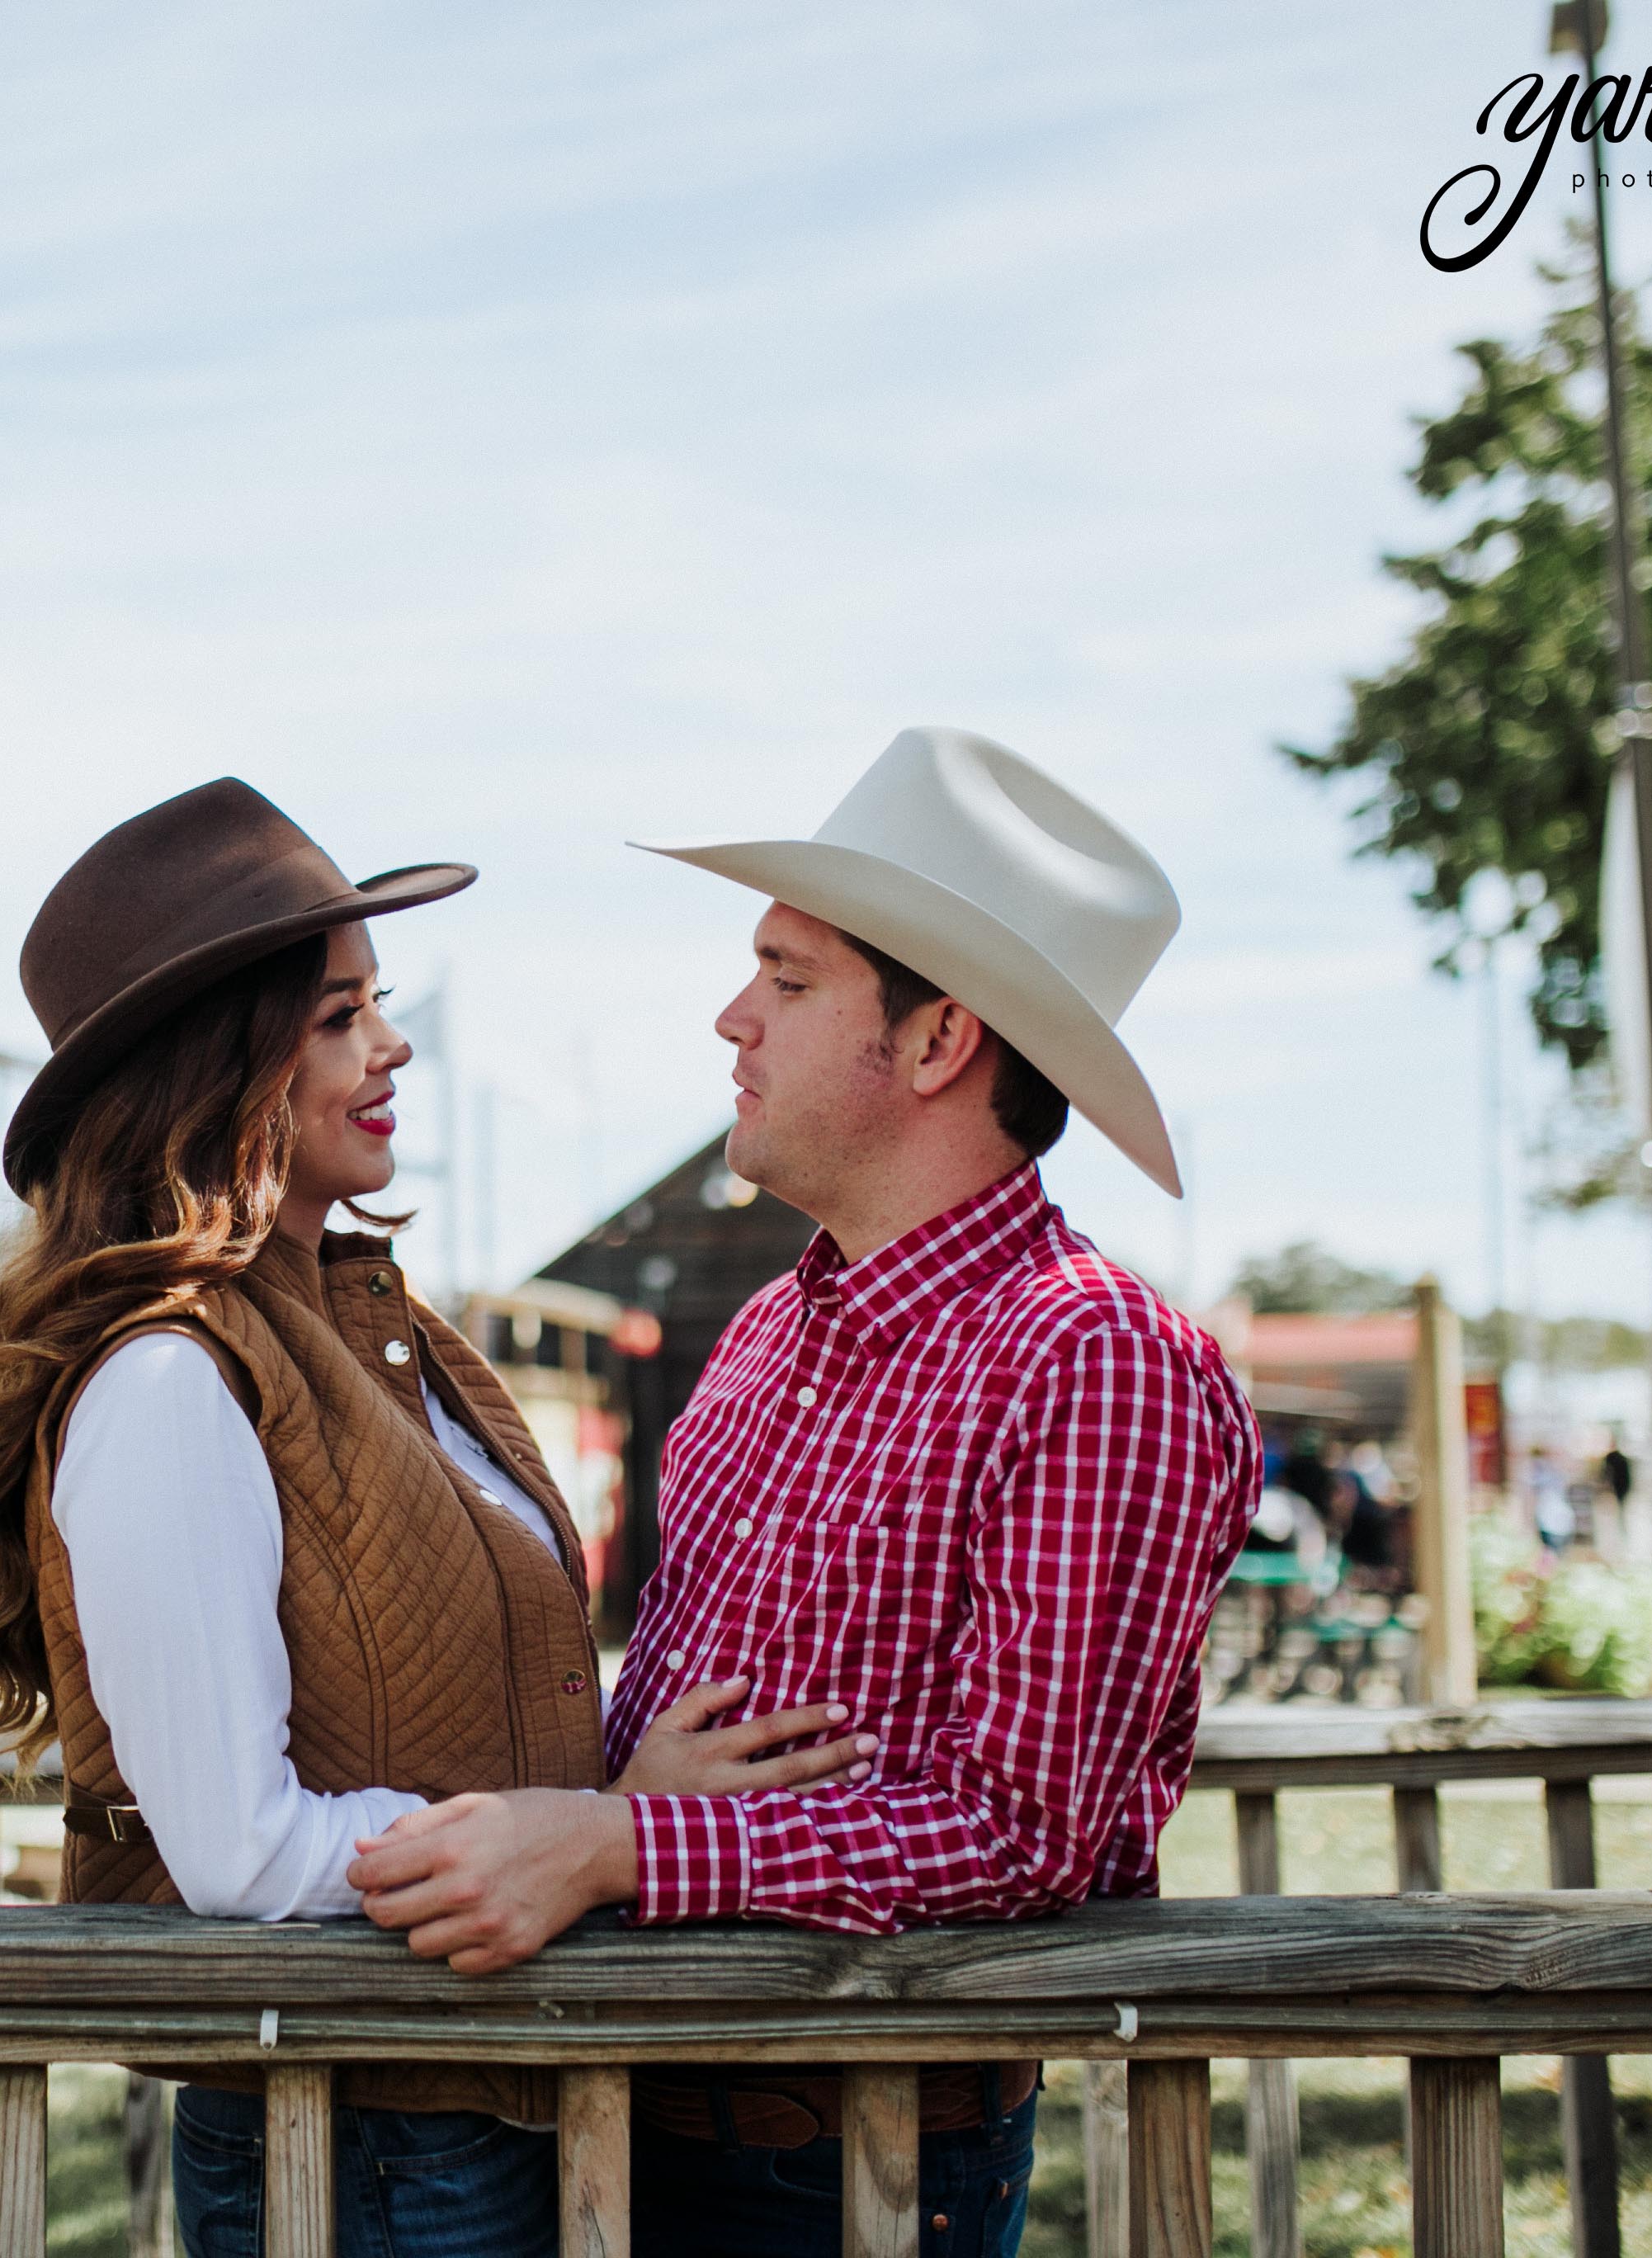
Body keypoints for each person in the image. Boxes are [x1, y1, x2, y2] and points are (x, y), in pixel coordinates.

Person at [0, 778, 865, 2258]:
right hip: (352, 2143)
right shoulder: (169, 1375)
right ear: (219, 1068)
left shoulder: (383, 1335)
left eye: (379, 1004)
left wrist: (619, 1788)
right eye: (341, 1016)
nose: (392, 1044)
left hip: (482, 2098)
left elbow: (439, 1710)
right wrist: (605, 1829)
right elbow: (237, 1850)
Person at [342, 728, 1259, 2257]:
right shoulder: (776, 1324)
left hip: (854, 2163)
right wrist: (616, 1803)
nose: (732, 1018)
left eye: (788, 977)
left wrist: (619, 1847)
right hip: (631, 2107)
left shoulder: (1096, 1357)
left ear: (936, 1041)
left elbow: (1024, 1834)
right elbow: (685, 1697)